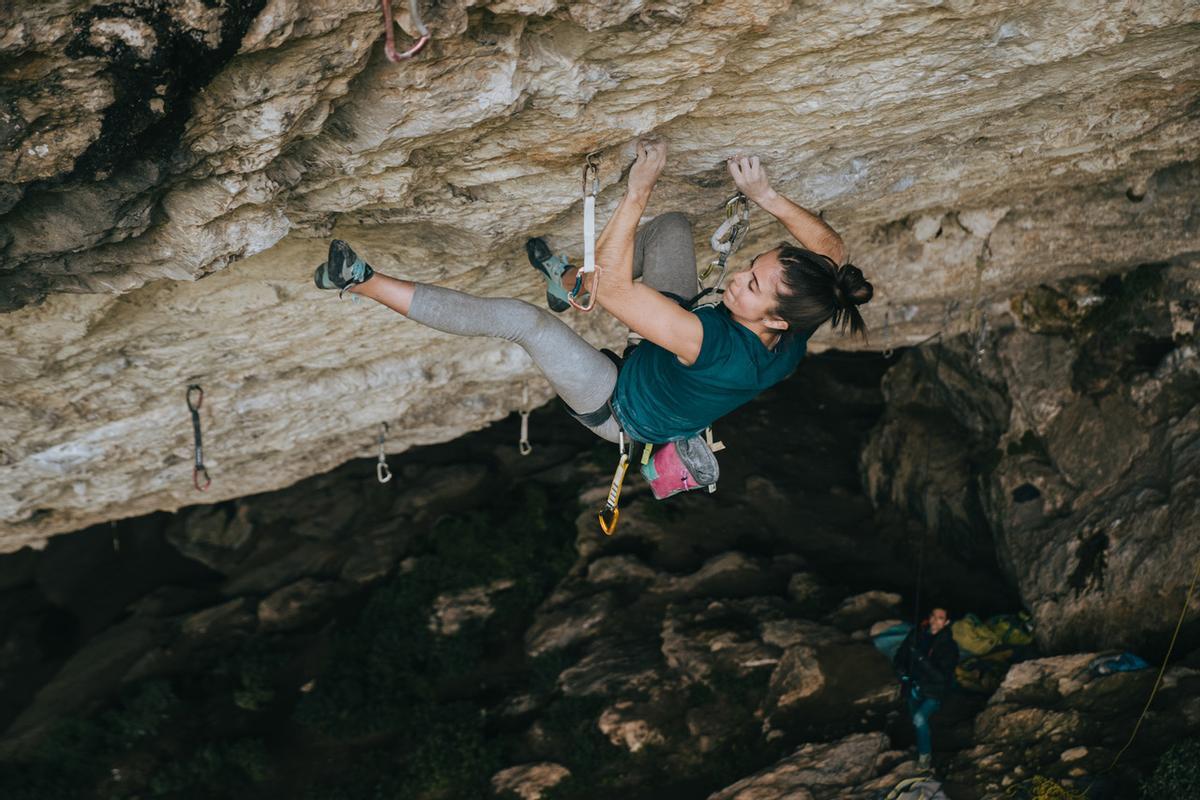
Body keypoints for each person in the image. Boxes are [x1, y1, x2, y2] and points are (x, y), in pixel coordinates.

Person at [312, 140, 873, 451]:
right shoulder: (808, 306)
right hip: (668, 352)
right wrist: (765, 195)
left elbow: (614, 283)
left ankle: (358, 278)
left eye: (750, 285)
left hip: (622, 407)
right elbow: (831, 250)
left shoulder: (715, 346)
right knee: (671, 229)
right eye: (751, 266)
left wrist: (637, 190)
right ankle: (565, 286)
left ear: (774, 323)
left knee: (523, 322)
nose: (735, 276)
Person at [893, 607, 959, 770]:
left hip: (934, 691)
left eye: (941, 618)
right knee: (916, 721)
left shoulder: (949, 646)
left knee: (919, 719)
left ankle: (925, 757)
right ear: (929, 617)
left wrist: (921, 659)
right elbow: (900, 655)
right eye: (933, 616)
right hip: (913, 686)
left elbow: (941, 677)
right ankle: (922, 743)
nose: (936, 620)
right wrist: (901, 670)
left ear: (947, 622)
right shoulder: (916, 635)